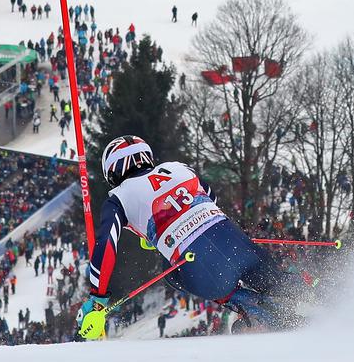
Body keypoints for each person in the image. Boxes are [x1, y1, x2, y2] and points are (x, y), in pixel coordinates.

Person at [78, 136, 289, 332]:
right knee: (281, 284)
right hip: (240, 246)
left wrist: (98, 298)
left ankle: (252, 308)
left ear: (113, 171)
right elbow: (211, 198)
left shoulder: (118, 197)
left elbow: (106, 243)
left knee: (169, 270)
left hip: (207, 273)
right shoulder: (177, 167)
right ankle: (312, 292)